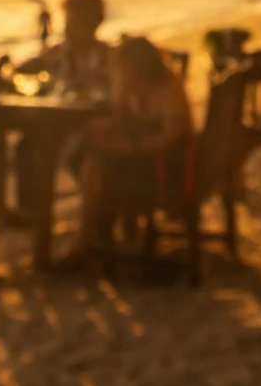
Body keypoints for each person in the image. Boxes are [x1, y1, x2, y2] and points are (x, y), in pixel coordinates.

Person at [55, 37, 194, 270]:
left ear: (138, 67)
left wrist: (129, 147)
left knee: (95, 164)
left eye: (124, 68)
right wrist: (104, 128)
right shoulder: (130, 86)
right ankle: (95, 232)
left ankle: (88, 238)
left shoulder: (169, 90)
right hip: (142, 158)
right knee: (87, 154)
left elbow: (170, 139)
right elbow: (118, 121)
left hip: (166, 167)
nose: (119, 73)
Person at [21, 0, 112, 99]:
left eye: (76, 22)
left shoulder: (109, 57)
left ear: (95, 23)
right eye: (67, 21)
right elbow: (30, 66)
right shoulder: (56, 54)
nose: (68, 28)